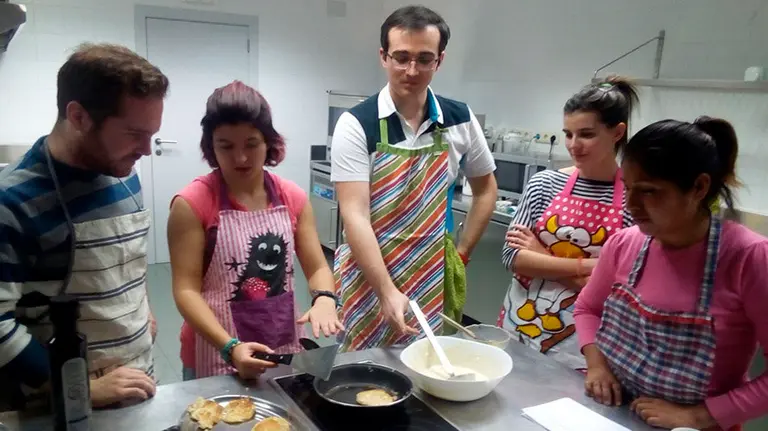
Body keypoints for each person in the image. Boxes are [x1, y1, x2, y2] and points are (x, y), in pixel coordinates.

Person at [0, 43, 168, 409]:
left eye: (151, 135)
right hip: (66, 399)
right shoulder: (13, 202)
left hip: (138, 379)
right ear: (78, 116)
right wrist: (78, 387)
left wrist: (143, 313)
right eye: (133, 133)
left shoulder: (124, 175)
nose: (145, 149)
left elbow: (131, 264)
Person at [574, 117, 768, 430]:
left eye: (650, 192)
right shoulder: (624, 244)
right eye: (629, 188)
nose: (631, 205)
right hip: (615, 413)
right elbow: (587, 309)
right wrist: (597, 366)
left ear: (699, 187)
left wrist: (696, 416)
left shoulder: (749, 257)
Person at [330, 5, 497, 352]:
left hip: (430, 272)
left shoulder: (460, 119)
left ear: (439, 61)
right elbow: (354, 214)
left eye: (424, 59)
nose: (411, 70)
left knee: (426, 364)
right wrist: (386, 289)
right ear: (383, 56)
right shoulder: (357, 123)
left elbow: (485, 190)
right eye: (401, 57)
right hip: (369, 272)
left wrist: (462, 252)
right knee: (364, 367)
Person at [169, 81, 344, 380]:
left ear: (269, 143)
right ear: (211, 146)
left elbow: (317, 266)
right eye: (226, 146)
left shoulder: (292, 197)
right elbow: (186, 290)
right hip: (216, 346)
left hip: (282, 341)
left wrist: (325, 298)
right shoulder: (193, 203)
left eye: (251, 144)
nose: (241, 158)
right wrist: (229, 347)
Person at [498, 77, 638, 369]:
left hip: (587, 344)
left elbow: (619, 290)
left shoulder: (634, 200)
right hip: (520, 324)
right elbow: (512, 257)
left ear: (617, 132)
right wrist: (589, 267)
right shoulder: (544, 184)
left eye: (586, 134)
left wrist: (540, 255)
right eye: (568, 134)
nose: (574, 145)